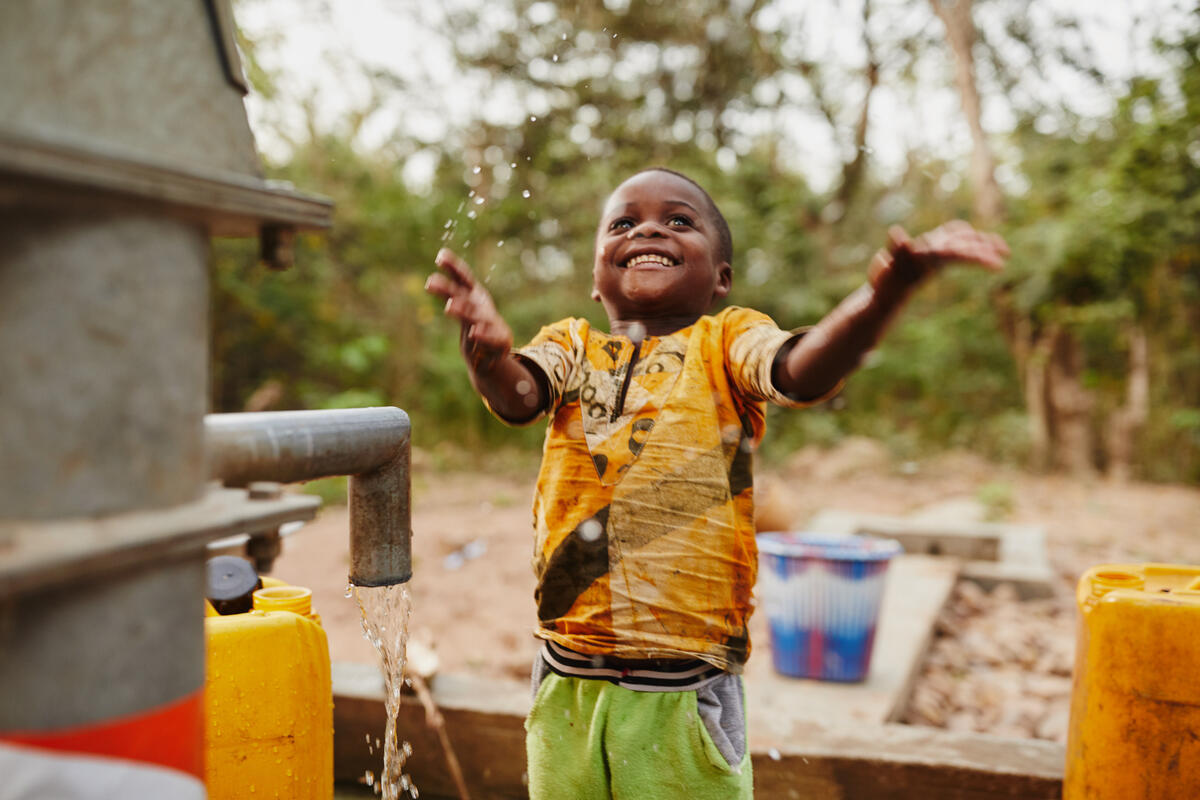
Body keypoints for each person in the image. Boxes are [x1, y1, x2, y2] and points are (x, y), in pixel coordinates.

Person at [425, 167, 1007, 799]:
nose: (647, 228)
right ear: (596, 280)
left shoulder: (728, 341)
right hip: (566, 682)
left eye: (679, 221)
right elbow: (518, 396)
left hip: (682, 691)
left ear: (721, 278)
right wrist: (486, 356)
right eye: (623, 223)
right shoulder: (570, 347)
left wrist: (882, 299)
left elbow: (800, 371)